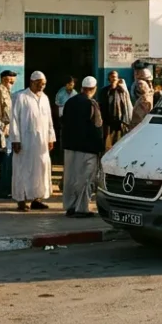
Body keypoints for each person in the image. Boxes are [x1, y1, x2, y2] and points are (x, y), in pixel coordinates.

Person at [10, 72, 55, 211]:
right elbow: (14, 120)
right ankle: (21, 200)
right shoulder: (20, 97)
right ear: (32, 82)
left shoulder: (45, 98)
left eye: (44, 84)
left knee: (41, 169)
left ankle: (37, 199)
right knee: (23, 169)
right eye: (39, 84)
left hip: (41, 143)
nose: (42, 86)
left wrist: (51, 137)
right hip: (25, 142)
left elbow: (49, 120)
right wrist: (15, 139)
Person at [61, 76, 103, 218]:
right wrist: (100, 147)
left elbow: (64, 122)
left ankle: (70, 206)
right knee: (86, 179)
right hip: (87, 148)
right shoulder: (92, 104)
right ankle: (82, 208)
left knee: (70, 178)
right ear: (94, 89)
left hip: (70, 146)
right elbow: (97, 127)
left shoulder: (70, 102)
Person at [0, 70, 16, 198]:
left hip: (6, 131)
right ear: (6, 79)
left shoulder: (5, 91)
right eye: (12, 80)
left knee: (7, 160)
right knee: (5, 161)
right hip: (4, 131)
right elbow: (2, 113)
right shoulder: (0, 91)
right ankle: (3, 190)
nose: (13, 82)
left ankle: (5, 189)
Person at [97, 71, 132, 150]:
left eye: (115, 76)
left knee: (119, 144)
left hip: (120, 122)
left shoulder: (122, 91)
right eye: (112, 76)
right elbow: (101, 105)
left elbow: (127, 105)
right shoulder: (104, 91)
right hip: (107, 122)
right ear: (109, 78)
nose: (114, 78)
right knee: (107, 144)